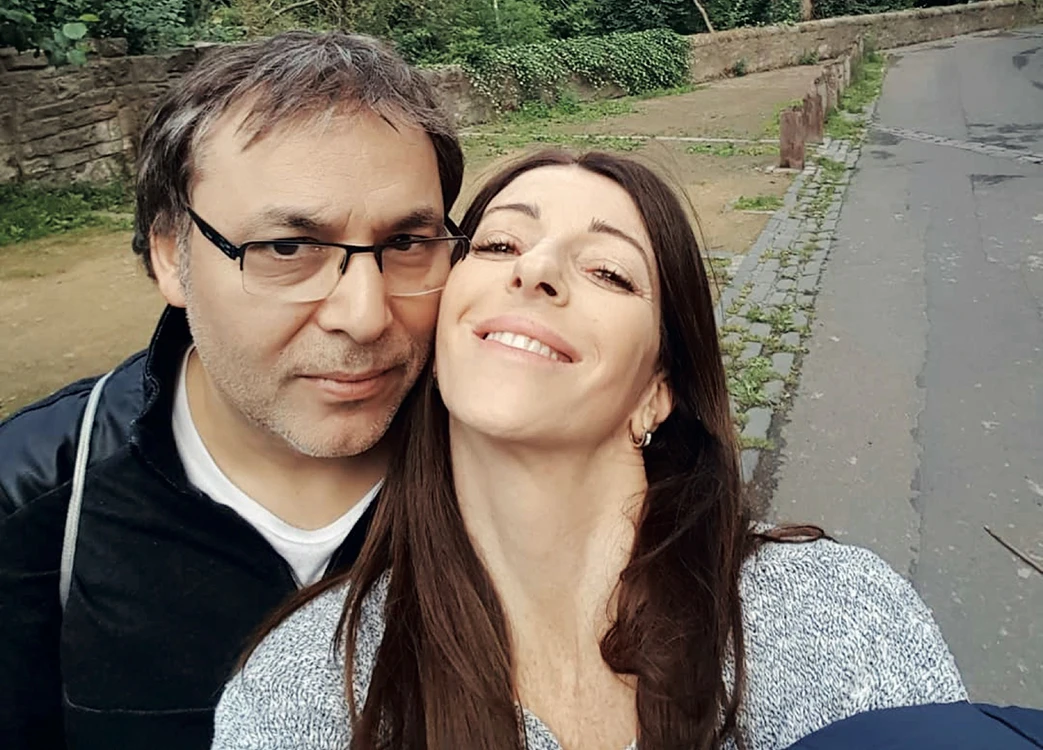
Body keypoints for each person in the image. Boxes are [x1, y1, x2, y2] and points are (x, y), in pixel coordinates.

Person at [211, 149, 968, 750]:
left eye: (607, 271)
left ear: (657, 390)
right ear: (440, 330)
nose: (535, 270)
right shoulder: (311, 687)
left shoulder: (828, 616)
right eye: (499, 243)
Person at [0, 31, 465, 750]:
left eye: (405, 244)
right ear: (170, 255)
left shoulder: (506, 467)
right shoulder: (36, 497)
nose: (366, 315)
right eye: (287, 248)